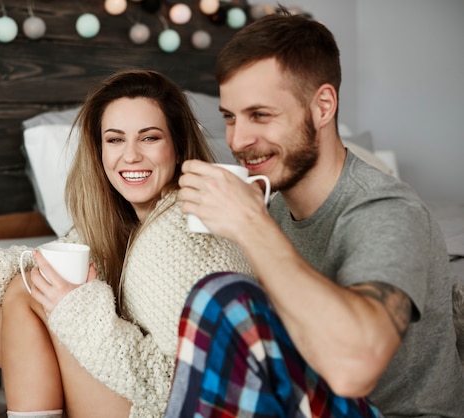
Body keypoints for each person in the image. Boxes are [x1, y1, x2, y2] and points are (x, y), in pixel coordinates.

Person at [0, 69, 253, 418]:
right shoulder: (124, 221)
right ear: (98, 149)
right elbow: (19, 264)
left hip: (168, 408)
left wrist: (76, 308)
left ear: (178, 145)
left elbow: (181, 383)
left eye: (149, 138)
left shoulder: (184, 230)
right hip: (126, 388)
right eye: (114, 139)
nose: (130, 156)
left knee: (27, 288)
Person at [166, 9, 464, 418]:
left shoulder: (388, 210)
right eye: (230, 118)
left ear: (323, 106)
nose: (238, 139)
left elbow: (353, 369)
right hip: (306, 400)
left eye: (260, 115)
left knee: (223, 297)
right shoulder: (276, 211)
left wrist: (251, 227)